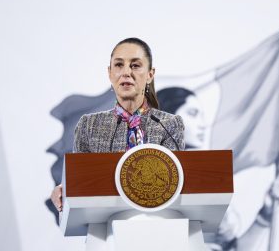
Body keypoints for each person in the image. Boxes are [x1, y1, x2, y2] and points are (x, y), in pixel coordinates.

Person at [50, 37, 185, 211]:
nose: (126, 72)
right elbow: (81, 182)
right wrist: (65, 190)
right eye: (119, 65)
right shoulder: (89, 125)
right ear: (110, 73)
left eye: (135, 65)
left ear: (150, 75)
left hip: (159, 222)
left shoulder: (170, 124)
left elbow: (174, 183)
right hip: (106, 228)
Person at [157, 86, 279, 251]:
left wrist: (264, 216)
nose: (203, 124)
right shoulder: (138, 179)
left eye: (202, 116)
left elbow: (233, 248)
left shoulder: (207, 178)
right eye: (193, 114)